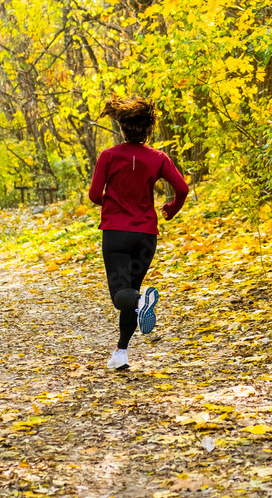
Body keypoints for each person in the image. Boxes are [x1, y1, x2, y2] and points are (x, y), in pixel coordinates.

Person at [88, 97, 189, 370]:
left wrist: (111, 204)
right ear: (147, 130)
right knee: (131, 290)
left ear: (122, 128)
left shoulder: (108, 156)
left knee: (122, 294)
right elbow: (182, 188)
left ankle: (142, 301)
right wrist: (171, 208)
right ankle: (121, 352)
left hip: (116, 233)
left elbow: (94, 194)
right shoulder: (158, 158)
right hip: (146, 235)